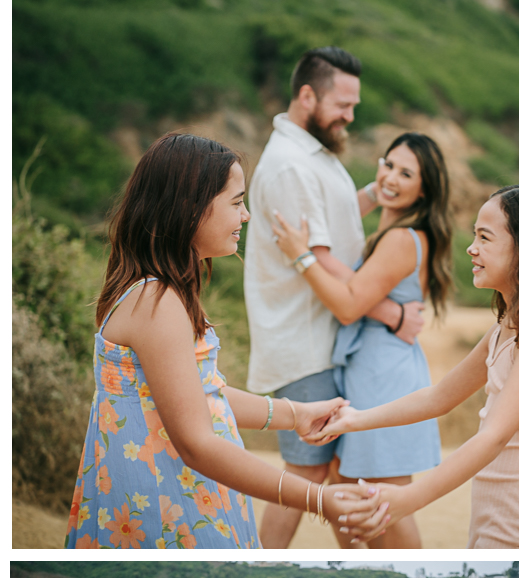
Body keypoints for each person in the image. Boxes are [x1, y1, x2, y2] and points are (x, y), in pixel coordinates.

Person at [64, 131, 389, 550]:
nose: (247, 216)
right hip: (166, 508)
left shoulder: (159, 292)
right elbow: (198, 443)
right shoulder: (157, 301)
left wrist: (296, 414)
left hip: (175, 495)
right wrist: (318, 498)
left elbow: (200, 394)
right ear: (190, 208)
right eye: (236, 203)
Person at [305, 184, 519, 549]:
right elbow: (438, 398)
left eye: (485, 237)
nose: (471, 248)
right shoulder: (506, 329)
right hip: (496, 515)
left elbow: (493, 436)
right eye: (474, 236)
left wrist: (409, 499)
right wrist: (355, 419)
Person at [244, 46, 425, 549]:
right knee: (306, 476)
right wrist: (390, 312)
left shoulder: (313, 155)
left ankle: (361, 558)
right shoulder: (289, 167)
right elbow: (320, 261)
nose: (351, 115)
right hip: (304, 345)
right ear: (307, 96)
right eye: (343, 104)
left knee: (337, 475)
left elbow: (334, 217)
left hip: (325, 341)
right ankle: (263, 562)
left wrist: (382, 190)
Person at [272, 132, 453, 550]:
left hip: (382, 373)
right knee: (346, 482)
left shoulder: (400, 239)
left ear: (424, 189)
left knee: (381, 496)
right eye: (387, 164)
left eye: (406, 173)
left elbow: (349, 304)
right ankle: (365, 561)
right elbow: (337, 221)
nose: (391, 176)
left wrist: (302, 256)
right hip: (373, 366)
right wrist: (380, 188)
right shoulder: (396, 230)